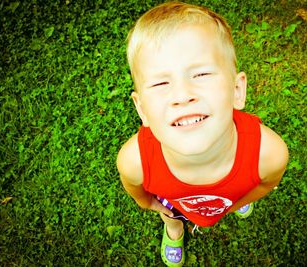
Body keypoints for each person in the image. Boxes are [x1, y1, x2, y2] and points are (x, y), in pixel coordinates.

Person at [117, 2, 289, 266]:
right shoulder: (135, 161)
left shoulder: (269, 154)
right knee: (171, 214)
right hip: (174, 204)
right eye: (162, 83)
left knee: (242, 189)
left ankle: (235, 196)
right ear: (142, 110)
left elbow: (265, 184)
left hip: (234, 193)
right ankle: (174, 229)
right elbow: (136, 190)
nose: (183, 95)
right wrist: (150, 205)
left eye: (201, 74)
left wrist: (235, 202)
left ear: (236, 90)